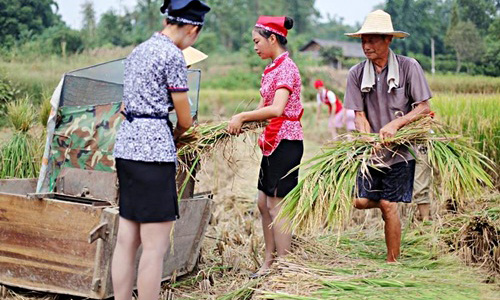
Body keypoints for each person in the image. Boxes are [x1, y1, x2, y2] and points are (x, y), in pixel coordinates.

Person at [111, 1, 210, 299]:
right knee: (155, 245)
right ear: (192, 29)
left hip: (127, 148)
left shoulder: (138, 51)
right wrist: (181, 133)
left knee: (126, 239)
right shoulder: (172, 56)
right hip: (153, 153)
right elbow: (184, 117)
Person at [343, 10, 432, 263]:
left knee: (387, 205)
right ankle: (393, 198)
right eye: (363, 41)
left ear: (388, 40)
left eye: (372, 40)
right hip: (372, 152)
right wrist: (367, 139)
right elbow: (358, 114)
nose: (366, 46)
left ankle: (392, 262)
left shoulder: (408, 67)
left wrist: (396, 124)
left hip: (402, 151)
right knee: (359, 201)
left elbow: (424, 107)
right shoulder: (356, 74)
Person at [227, 15, 303, 277]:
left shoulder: (287, 68)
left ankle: (285, 266)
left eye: (257, 41)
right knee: (263, 203)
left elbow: (278, 108)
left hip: (287, 142)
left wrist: (243, 116)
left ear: (273, 39)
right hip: (272, 142)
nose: (255, 46)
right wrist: (238, 125)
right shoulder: (271, 68)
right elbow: (263, 110)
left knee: (276, 205)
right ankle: (269, 262)